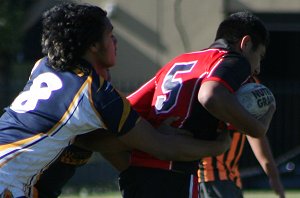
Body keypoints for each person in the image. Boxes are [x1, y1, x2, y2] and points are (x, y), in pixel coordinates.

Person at [34, 10, 275, 198]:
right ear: (245, 44)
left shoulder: (179, 61)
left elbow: (124, 112)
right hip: (174, 173)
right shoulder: (233, 61)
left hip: (137, 175)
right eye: (259, 57)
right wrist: (258, 125)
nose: (258, 68)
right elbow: (211, 96)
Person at [0, 3, 232, 197]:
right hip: (7, 181)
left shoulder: (43, 66)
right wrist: (219, 146)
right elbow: (163, 147)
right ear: (93, 45)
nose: (115, 42)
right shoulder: (95, 93)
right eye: (110, 35)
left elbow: (91, 140)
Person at [198, 77, 285, 198]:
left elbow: (255, 133)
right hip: (212, 175)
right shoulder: (227, 81)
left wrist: (273, 175)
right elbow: (254, 133)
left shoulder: (247, 80)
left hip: (228, 177)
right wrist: (273, 175)